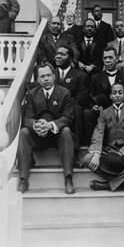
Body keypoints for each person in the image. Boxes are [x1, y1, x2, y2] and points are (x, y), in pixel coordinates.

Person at [17, 62, 75, 194]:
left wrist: (50, 125)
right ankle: (23, 179)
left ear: (54, 76)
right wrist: (36, 125)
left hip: (57, 136)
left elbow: (68, 117)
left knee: (66, 131)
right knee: (24, 132)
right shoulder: (31, 94)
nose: (46, 79)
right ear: (38, 79)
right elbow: (27, 119)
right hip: (38, 136)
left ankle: (68, 178)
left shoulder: (65, 93)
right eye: (42, 76)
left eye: (49, 75)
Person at [82, 83, 124, 191]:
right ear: (110, 96)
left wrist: (123, 152)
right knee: (87, 159)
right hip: (109, 150)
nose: (117, 95)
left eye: (120, 92)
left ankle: (108, 185)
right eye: (114, 93)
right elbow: (98, 132)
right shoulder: (105, 113)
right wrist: (96, 153)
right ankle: (121, 182)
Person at [83, 46, 124, 143]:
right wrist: (94, 106)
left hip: (121, 110)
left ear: (117, 59)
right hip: (102, 111)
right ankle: (92, 145)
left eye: (110, 58)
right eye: (105, 58)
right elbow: (90, 97)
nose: (107, 60)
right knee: (87, 113)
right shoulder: (95, 78)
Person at [54, 45, 90, 150]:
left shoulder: (80, 75)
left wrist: (65, 104)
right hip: (53, 106)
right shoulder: (51, 74)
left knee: (77, 109)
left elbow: (82, 97)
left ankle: (76, 146)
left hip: (71, 107)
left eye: (62, 54)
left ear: (70, 59)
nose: (58, 56)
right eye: (57, 54)